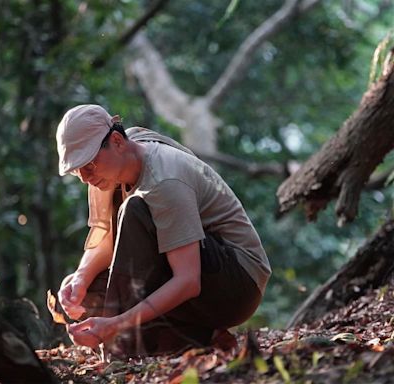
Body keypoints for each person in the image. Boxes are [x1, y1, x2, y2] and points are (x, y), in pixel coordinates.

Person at [55, 104, 271, 356]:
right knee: (87, 296)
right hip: (187, 267)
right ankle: (195, 336)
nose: (84, 177)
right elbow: (109, 239)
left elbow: (188, 280)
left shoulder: (164, 181)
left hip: (237, 285)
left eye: (88, 165)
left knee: (135, 209)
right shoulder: (115, 162)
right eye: (77, 169)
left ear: (116, 141)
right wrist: (81, 278)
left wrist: (115, 325)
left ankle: (125, 348)